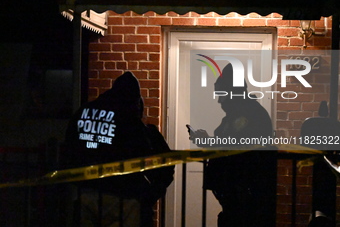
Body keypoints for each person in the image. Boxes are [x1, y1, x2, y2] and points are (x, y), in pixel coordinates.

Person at [61, 72, 174, 227]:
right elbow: (144, 151)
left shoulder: (84, 112)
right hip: (122, 197)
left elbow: (68, 150)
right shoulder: (127, 116)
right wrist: (152, 192)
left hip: (86, 194)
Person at [190, 64, 277, 227]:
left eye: (221, 94)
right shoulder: (246, 112)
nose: (219, 100)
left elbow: (233, 144)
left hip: (243, 191)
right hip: (239, 191)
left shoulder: (248, 114)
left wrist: (207, 141)